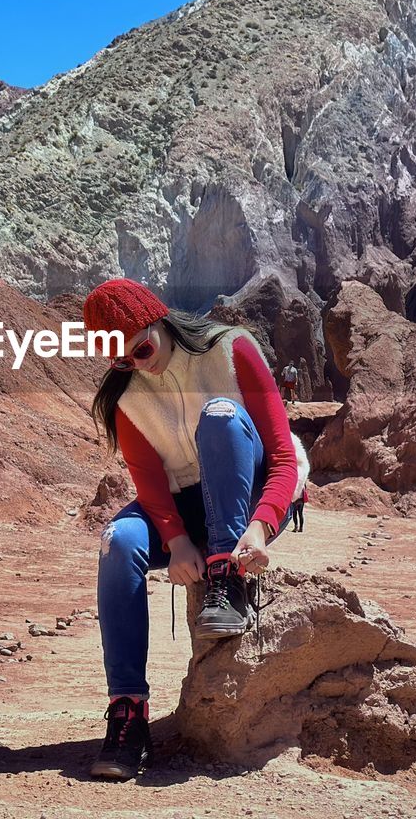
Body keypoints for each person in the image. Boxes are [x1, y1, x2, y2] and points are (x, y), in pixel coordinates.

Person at [83, 278, 310, 781]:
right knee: (116, 541)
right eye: (123, 361)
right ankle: (127, 714)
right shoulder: (126, 398)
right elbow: (150, 484)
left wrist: (260, 525)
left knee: (222, 414)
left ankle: (226, 577)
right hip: (183, 508)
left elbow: (281, 459)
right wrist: (177, 540)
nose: (139, 364)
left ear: (159, 320)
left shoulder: (231, 350)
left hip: (242, 488)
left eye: (141, 348)